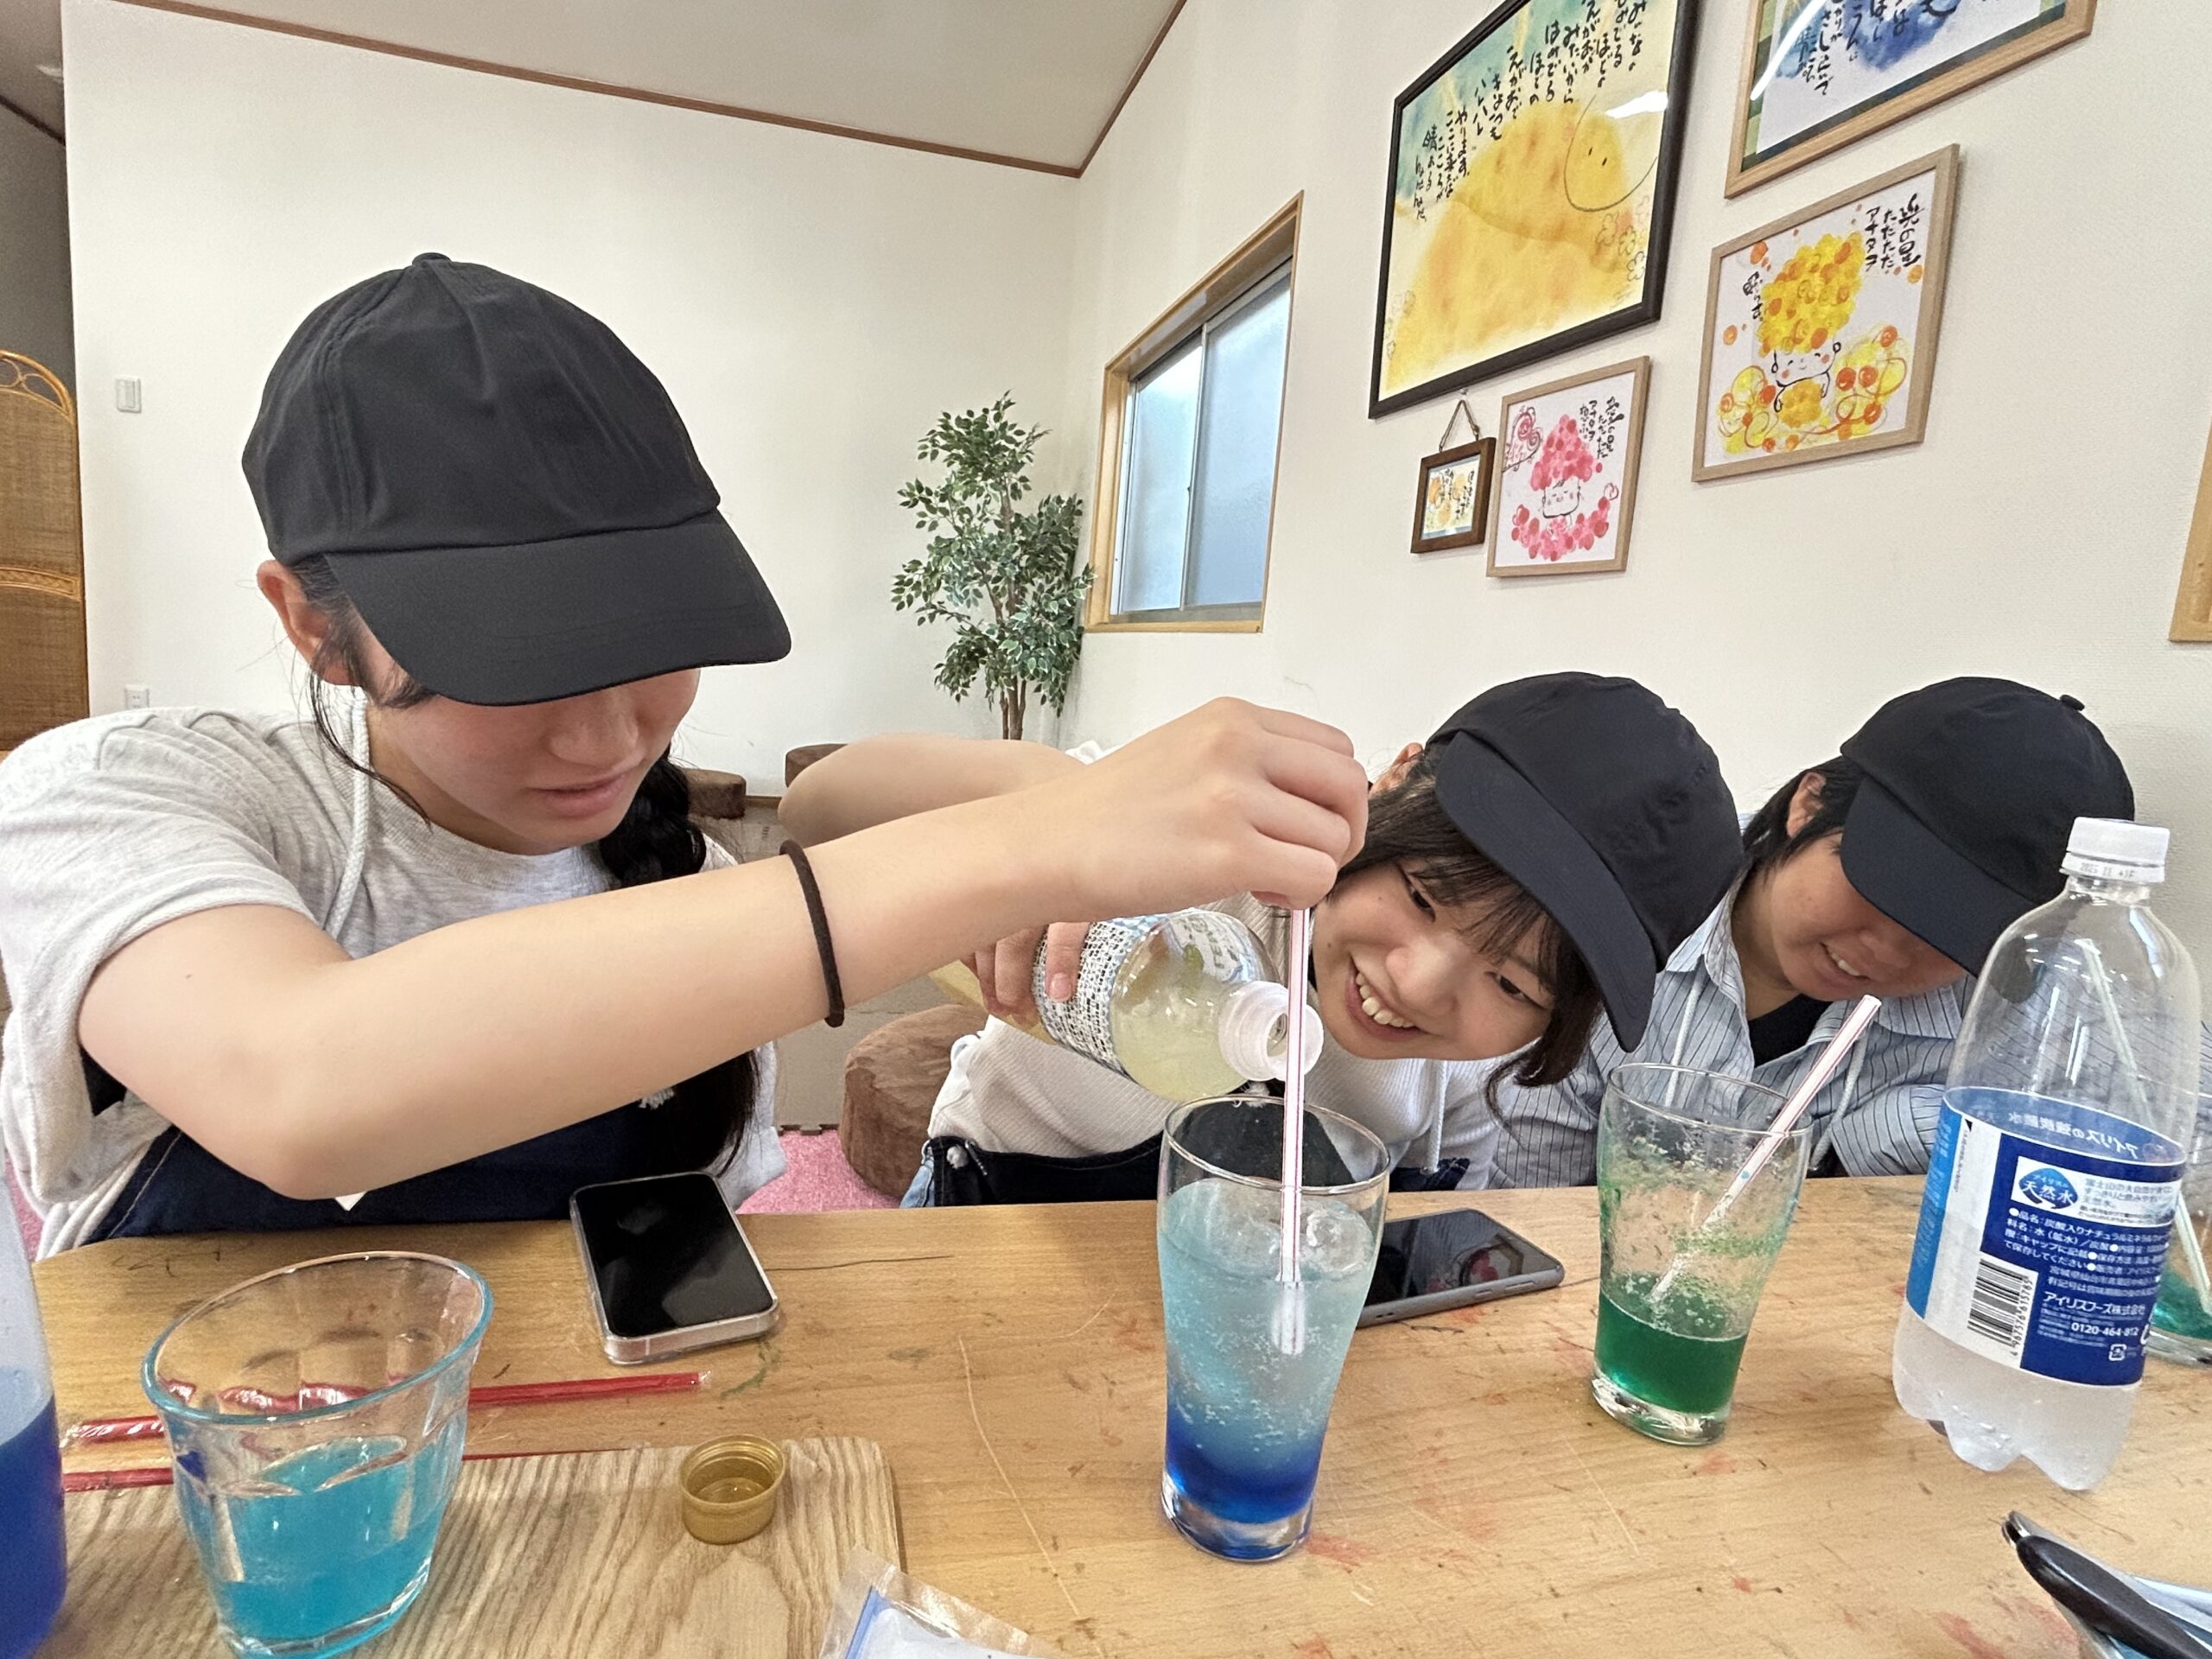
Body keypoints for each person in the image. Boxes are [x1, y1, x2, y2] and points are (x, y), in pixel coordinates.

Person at [0, 256, 1370, 1253]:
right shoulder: (127, 797)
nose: (606, 738)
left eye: (648, 638)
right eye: (513, 660)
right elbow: (298, 1084)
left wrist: (1055, 795)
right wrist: (1038, 839)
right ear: (314, 624)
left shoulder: (688, 889)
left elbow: (827, 808)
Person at [782, 673, 1746, 1204]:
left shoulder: (1462, 1074)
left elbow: (1438, 1230)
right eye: (1423, 896)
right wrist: (1052, 813)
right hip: (997, 1225)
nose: (1419, 986)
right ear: (1393, 782)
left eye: (1514, 987)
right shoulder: (1191, 838)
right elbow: (818, 804)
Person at [1488, 677, 2186, 1183]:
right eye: (1882, 888)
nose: (1886, 951)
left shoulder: (2001, 991)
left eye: (1953, 934)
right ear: (1809, 803)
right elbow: (1523, 1198)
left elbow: (2184, 1128)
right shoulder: (1629, 909)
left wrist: (1895, 1130)